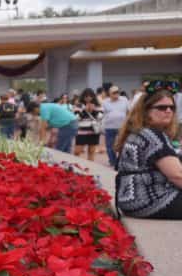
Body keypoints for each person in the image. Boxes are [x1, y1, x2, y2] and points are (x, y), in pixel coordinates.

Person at [114, 81, 182, 219]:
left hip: (130, 201)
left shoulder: (137, 132)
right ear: (146, 110)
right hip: (152, 200)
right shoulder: (153, 136)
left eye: (171, 107)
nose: (168, 111)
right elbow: (177, 176)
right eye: (162, 107)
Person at [101, 86, 129, 169]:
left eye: (117, 92)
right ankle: (113, 161)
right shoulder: (105, 102)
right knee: (110, 146)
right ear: (109, 94)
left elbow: (129, 111)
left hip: (122, 126)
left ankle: (121, 161)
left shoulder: (124, 99)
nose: (116, 94)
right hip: (109, 126)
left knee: (123, 144)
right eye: (114, 92)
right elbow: (103, 114)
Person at [73, 88, 103, 161]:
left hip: (93, 131)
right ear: (83, 97)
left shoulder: (97, 105)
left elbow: (100, 117)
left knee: (91, 152)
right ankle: (76, 166)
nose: (88, 98)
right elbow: (76, 117)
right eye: (86, 96)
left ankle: (90, 169)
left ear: (93, 97)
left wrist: (93, 111)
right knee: (77, 151)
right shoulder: (79, 105)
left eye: (90, 96)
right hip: (81, 131)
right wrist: (84, 111)